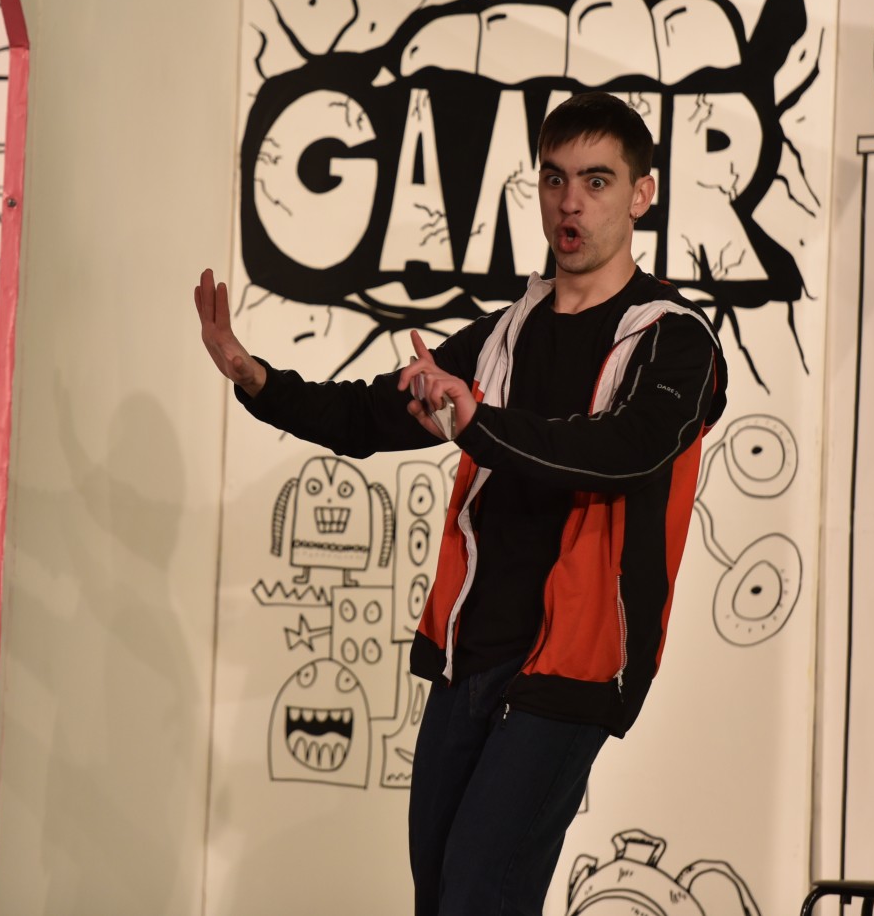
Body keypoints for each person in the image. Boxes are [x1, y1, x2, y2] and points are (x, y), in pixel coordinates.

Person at [194, 92, 727, 915]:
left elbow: (623, 453)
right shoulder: (506, 333)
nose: (571, 202)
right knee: (441, 895)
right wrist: (256, 378)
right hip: (467, 659)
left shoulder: (675, 339)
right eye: (554, 179)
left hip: (573, 669)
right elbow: (370, 417)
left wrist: (478, 424)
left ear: (641, 194)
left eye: (596, 181)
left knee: (480, 896)